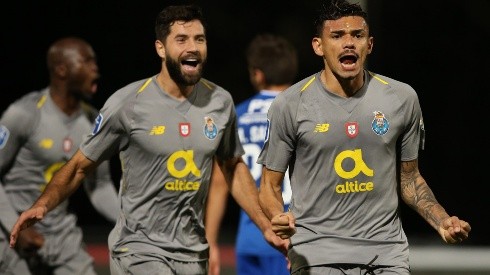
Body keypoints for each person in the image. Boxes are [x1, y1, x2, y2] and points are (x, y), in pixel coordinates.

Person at [9, 5, 287, 275]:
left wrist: (264, 224)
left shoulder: (220, 101)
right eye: (181, 39)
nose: (193, 47)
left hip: (192, 252)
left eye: (199, 39)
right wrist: (43, 204)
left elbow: (233, 167)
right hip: (139, 249)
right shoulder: (127, 103)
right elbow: (80, 166)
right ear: (161, 48)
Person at [257, 1, 472, 274]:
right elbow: (269, 185)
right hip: (318, 255)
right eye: (337, 36)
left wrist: (441, 220)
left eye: (357, 35)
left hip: (386, 254)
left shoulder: (401, 98)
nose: (349, 43)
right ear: (318, 46)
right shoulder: (290, 104)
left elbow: (409, 178)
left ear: (369, 45)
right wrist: (278, 216)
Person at [0, 37, 119, 274]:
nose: (95, 68)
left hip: (61, 235)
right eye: (86, 61)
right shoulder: (23, 114)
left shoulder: (93, 123)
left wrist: (133, 221)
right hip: (12, 231)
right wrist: (14, 225)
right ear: (62, 70)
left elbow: (100, 186)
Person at [205, 33, 298, 275]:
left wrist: (210, 242)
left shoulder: (237, 114)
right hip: (295, 236)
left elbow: (218, 183)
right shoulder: (303, 113)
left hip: (251, 238)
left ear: (257, 73)